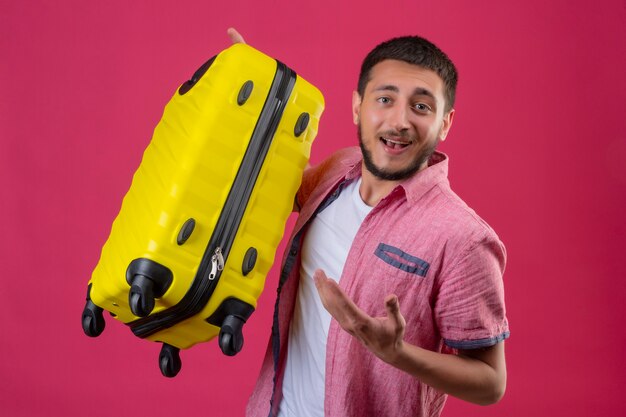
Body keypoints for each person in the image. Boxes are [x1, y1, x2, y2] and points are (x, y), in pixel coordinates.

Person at [227, 28, 509, 417]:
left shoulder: (463, 239)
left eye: (422, 107)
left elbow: (490, 383)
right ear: (358, 107)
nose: (400, 121)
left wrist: (397, 353)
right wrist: (254, 91)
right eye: (385, 99)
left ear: (445, 123)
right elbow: (275, 178)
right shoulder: (335, 171)